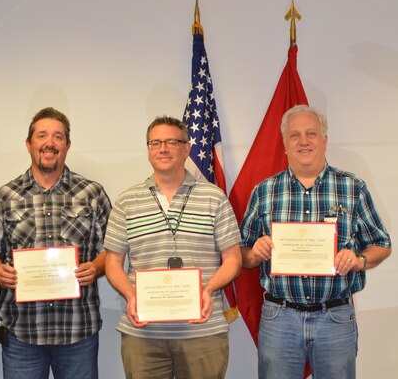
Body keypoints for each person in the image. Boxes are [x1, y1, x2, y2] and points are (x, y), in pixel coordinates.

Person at [239, 105, 392, 379]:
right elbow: (243, 253)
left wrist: (359, 260)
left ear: (325, 140)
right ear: (284, 144)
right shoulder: (263, 191)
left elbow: (382, 243)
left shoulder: (353, 187)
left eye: (311, 133)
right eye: (294, 135)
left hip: (335, 317)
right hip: (280, 317)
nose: (304, 141)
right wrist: (256, 253)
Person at [105, 115, 242, 379]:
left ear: (187, 148)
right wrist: (131, 296)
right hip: (143, 332)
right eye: (155, 143)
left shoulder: (214, 197)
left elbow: (233, 260)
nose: (163, 148)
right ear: (148, 151)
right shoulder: (127, 201)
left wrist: (209, 289)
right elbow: (112, 264)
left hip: (202, 330)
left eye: (171, 141)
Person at [0, 107, 112, 379]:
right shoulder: (5, 196)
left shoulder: (92, 193)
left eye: (58, 136)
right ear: (29, 144)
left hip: (78, 332)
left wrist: (96, 267)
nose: (49, 143)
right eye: (42, 135)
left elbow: (110, 252)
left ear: (67, 145)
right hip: (22, 334)